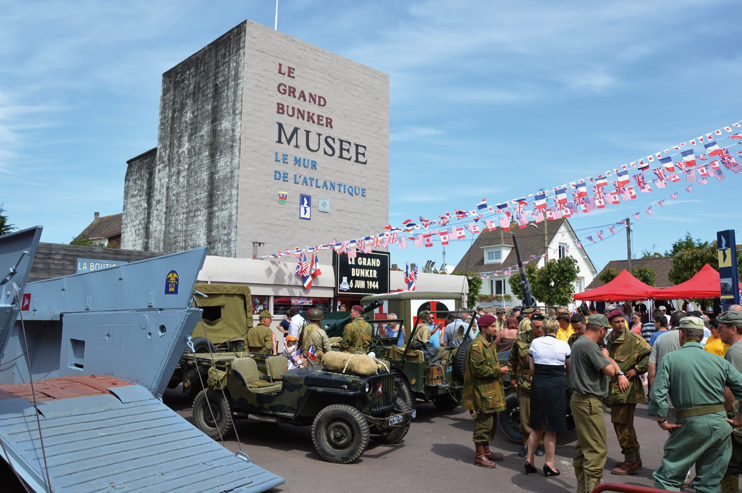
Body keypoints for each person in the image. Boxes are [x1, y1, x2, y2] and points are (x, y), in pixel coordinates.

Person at [649, 315, 742, 493]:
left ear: (681, 335)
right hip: (719, 426)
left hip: (689, 425)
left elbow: (658, 392)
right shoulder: (719, 361)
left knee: (667, 479)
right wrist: (739, 418)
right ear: (701, 336)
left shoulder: (670, 359)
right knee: (709, 483)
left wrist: (661, 419)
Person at [571, 314, 623, 493]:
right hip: (589, 401)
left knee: (584, 448)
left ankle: (583, 489)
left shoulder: (579, 343)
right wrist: (607, 356)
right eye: (605, 331)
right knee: (596, 450)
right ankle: (591, 490)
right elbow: (610, 371)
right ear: (602, 330)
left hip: (580, 400)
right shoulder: (590, 346)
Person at [605, 308, 651, 475]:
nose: (621, 325)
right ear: (611, 323)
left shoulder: (633, 338)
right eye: (617, 322)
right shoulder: (609, 338)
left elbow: (648, 355)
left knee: (622, 425)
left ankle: (630, 461)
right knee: (626, 426)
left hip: (626, 389)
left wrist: (636, 370)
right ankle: (635, 458)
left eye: (622, 321)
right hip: (615, 388)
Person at [524, 317, 571, 476]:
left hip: (539, 384)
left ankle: (529, 460)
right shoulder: (563, 344)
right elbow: (568, 369)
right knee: (552, 428)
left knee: (537, 426)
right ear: (557, 329)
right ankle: (549, 464)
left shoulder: (535, 343)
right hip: (556, 385)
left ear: (543, 329)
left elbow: (532, 367)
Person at [462, 314, 510, 468]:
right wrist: (498, 371)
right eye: (493, 327)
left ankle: (487, 451)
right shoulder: (477, 345)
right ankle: (479, 455)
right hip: (482, 392)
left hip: (490, 391)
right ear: (484, 328)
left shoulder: (487, 343)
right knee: (483, 424)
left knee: (490, 422)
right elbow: (478, 369)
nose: (496, 329)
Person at [508, 313, 545, 458]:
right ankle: (526, 443)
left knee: (541, 414)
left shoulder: (547, 340)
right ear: (531, 326)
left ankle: (540, 443)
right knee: (524, 416)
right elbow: (512, 360)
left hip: (542, 382)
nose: (539, 330)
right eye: (536, 327)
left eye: (542, 327)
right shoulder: (520, 339)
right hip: (524, 381)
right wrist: (513, 378)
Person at [720, 311, 742, 492]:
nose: (719, 332)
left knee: (730, 466)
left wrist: (723, 413)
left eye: (721, 328)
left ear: (733, 329)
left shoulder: (734, 351)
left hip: (738, 416)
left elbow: (730, 391)